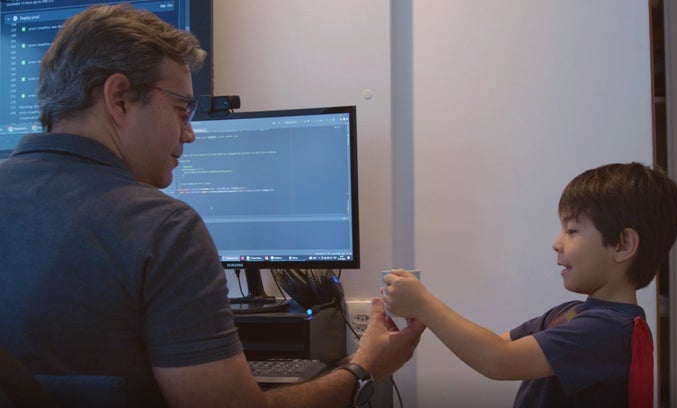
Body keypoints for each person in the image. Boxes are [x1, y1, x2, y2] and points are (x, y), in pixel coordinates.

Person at [0, 4, 424, 407]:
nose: (190, 134)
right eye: (182, 110)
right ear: (120, 98)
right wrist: (364, 368)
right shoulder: (161, 228)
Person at [383, 162, 677, 407]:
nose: (556, 243)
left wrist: (425, 304)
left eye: (573, 230)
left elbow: (497, 361)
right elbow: (495, 345)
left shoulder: (607, 331)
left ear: (622, 244)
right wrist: (422, 317)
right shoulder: (572, 314)